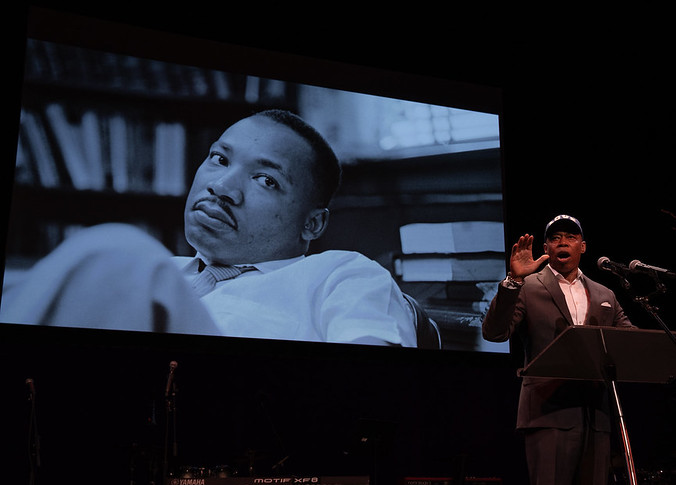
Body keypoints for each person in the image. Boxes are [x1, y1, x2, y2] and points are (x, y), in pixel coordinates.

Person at [0, 109, 418, 347]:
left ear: (313, 223)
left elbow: (373, 381)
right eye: (219, 159)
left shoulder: (341, 275)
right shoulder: (164, 276)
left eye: (265, 180)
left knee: (118, 249)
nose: (221, 187)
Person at [482, 214, 634, 485]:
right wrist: (513, 282)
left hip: (596, 415)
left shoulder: (605, 294)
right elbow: (494, 333)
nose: (562, 242)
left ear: (582, 246)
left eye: (570, 237)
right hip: (548, 412)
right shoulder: (529, 287)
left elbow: (633, 343)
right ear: (547, 247)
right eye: (554, 238)